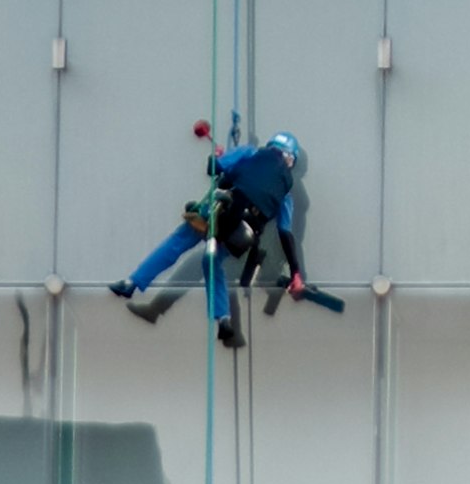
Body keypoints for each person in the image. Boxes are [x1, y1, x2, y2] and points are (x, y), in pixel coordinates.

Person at [113, 125, 342, 347]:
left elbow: (214, 168)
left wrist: (219, 156)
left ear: (270, 147)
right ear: (290, 160)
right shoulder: (287, 194)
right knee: (211, 262)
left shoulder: (250, 152)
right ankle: (223, 320)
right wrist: (296, 273)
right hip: (241, 234)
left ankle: (132, 283)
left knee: (178, 243)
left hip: (221, 212)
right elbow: (285, 233)